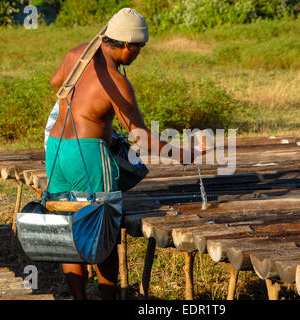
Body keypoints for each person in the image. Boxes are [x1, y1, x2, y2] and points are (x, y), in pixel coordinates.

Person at [46, 8, 197, 300]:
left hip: (56, 149)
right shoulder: (116, 82)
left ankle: (79, 298)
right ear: (128, 45)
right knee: (104, 229)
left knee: (69, 226)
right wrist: (183, 154)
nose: (138, 55)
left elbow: (56, 83)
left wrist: (84, 109)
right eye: (139, 49)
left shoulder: (76, 54)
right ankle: (107, 298)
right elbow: (140, 137)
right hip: (87, 155)